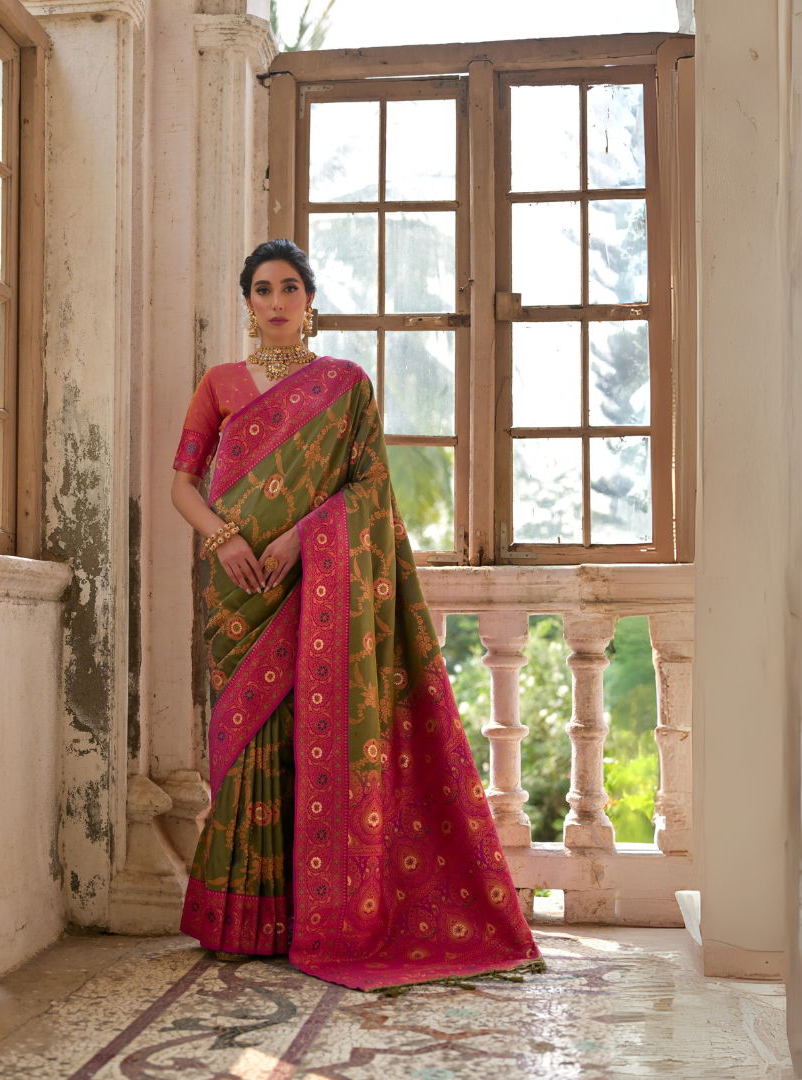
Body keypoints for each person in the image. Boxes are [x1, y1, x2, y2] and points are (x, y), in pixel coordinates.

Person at [170, 238, 541, 991]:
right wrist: (225, 538)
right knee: (245, 740)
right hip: (237, 587)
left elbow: (370, 488)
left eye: (289, 287)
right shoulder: (219, 384)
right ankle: (242, 923)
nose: (276, 301)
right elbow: (182, 484)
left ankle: (312, 919)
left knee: (306, 738)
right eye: (263, 289)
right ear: (248, 303)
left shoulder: (345, 386)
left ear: (310, 300)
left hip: (312, 582)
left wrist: (306, 536)